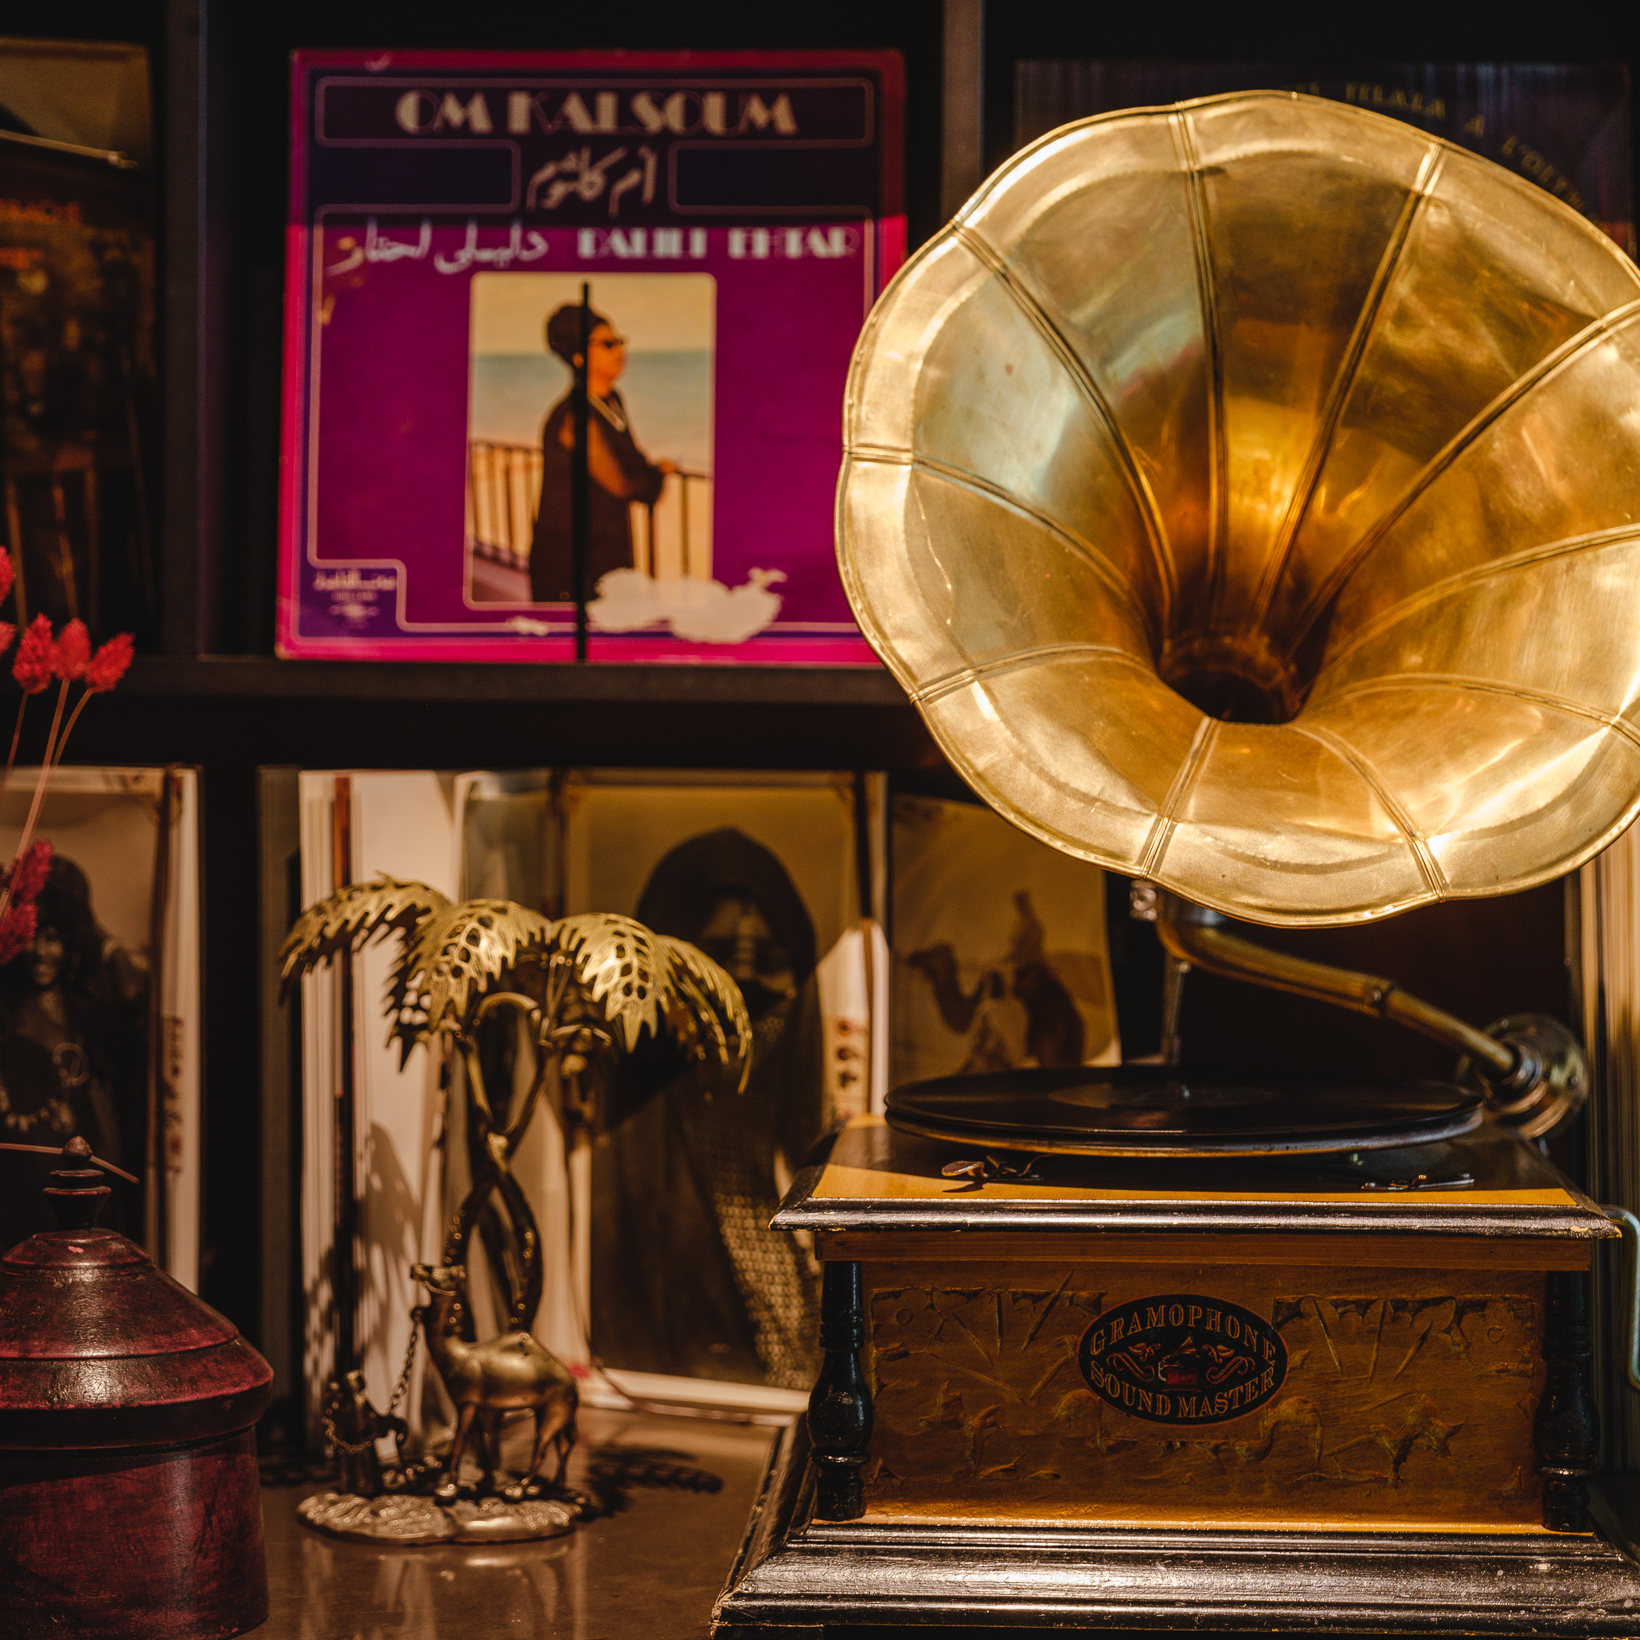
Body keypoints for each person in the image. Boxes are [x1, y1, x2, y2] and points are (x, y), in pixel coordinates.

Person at [529, 303, 673, 604]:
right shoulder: (575, 416)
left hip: (604, 544)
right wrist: (657, 476)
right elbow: (621, 484)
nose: (619, 350)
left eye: (619, 341)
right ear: (579, 357)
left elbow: (630, 457)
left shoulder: (612, 400)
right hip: (570, 559)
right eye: (608, 344)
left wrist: (650, 471)